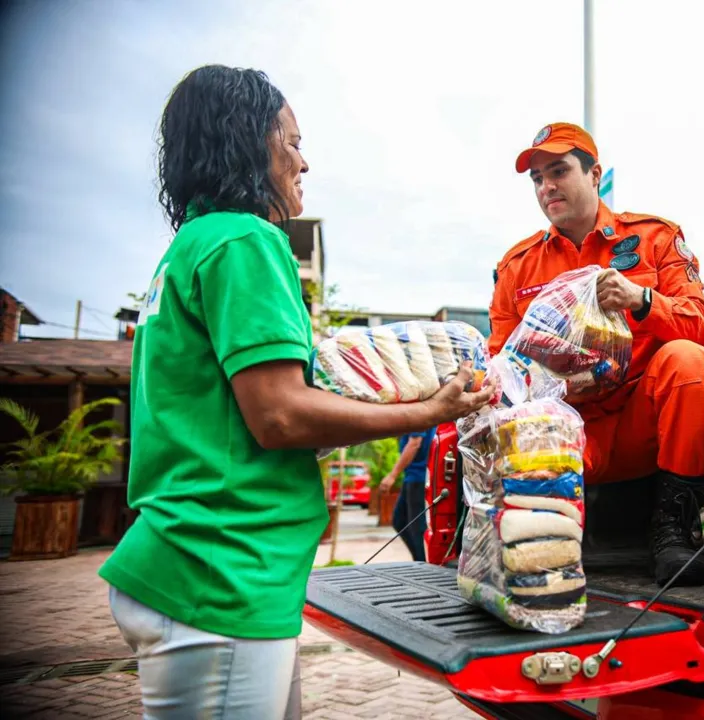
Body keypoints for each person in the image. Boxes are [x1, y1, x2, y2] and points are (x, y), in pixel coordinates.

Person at [98, 65, 492, 720]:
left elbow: (230, 407)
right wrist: (430, 410)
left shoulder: (192, 244)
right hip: (220, 567)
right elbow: (277, 415)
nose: (303, 160)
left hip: (197, 562)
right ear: (248, 140)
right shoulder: (246, 238)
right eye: (292, 140)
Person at [489, 122, 704, 587]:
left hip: (644, 423)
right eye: (537, 178)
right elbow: (500, 369)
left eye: (558, 171)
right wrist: (549, 379)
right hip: (566, 430)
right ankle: (537, 544)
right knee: (505, 410)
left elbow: (701, 325)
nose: (546, 186)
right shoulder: (516, 266)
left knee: (689, 361)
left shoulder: (655, 237)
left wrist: (642, 300)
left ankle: (675, 527)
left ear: (595, 174)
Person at [381, 426, 438, 561]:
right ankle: (420, 559)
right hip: (412, 476)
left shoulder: (418, 409)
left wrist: (392, 475)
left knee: (417, 528)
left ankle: (424, 563)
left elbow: (414, 443)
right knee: (399, 521)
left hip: (419, 477)